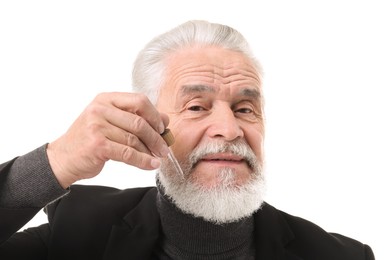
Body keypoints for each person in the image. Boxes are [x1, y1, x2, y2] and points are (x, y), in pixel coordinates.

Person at [0, 20, 374, 260]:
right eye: (196, 107)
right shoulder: (76, 236)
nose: (229, 130)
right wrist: (55, 164)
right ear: (142, 123)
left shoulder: (341, 256)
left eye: (245, 108)